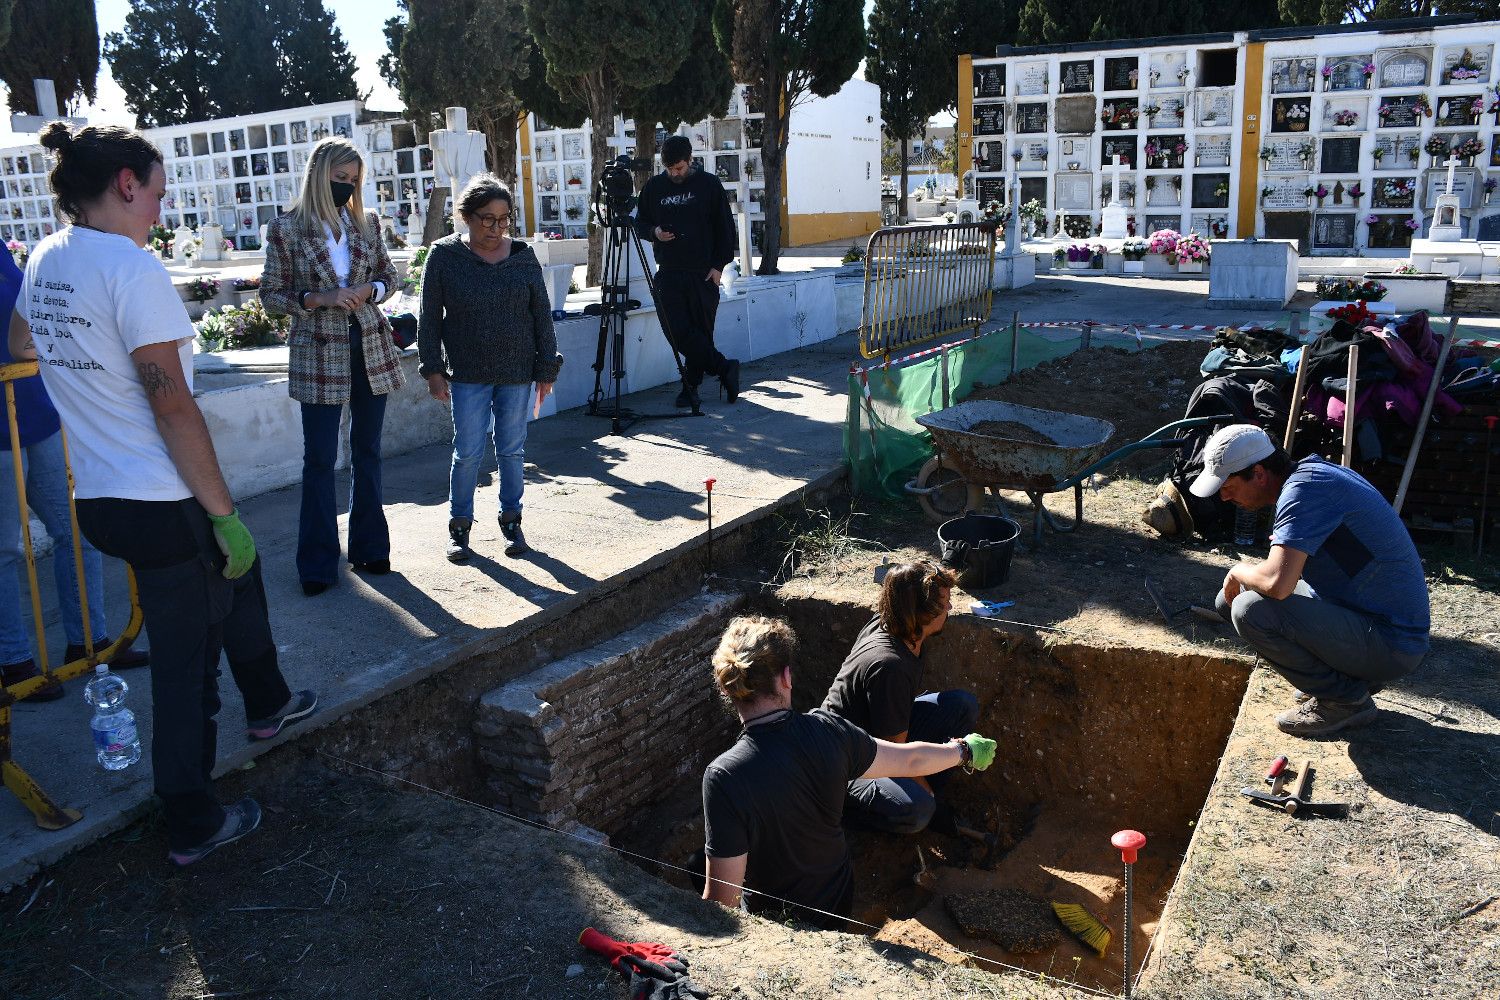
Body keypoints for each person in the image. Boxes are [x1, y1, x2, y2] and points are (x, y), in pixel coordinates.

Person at [12, 122, 315, 866]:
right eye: (155, 192)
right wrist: (221, 512)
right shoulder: (132, 269)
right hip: (158, 496)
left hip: (101, 498)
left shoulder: (47, 255)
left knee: (235, 586)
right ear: (124, 184)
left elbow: (22, 343)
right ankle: (192, 820)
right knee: (188, 669)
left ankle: (269, 700)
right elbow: (173, 405)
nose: (160, 208)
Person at [701, 615, 995, 928]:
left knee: (698, 865)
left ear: (728, 688)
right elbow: (909, 761)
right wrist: (963, 750)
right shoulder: (829, 731)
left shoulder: (724, 776)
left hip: (776, 928)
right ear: (786, 677)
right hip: (836, 907)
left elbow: (723, 902)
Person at [1190, 424, 1430, 737]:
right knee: (1230, 600)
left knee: (1249, 609)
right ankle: (1349, 679)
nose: (1223, 496)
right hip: (1365, 617)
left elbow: (1278, 583)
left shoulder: (1305, 492)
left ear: (1259, 473)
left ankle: (1344, 701)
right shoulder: (1311, 476)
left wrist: (1238, 571)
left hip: (1392, 642)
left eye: (1227, 485)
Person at [0, 244, 147, 700]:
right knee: (3, 548)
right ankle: (13, 662)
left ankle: (89, 642)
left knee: (75, 531)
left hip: (35, 413)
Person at [261, 137, 404, 596]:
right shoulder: (287, 229)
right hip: (318, 351)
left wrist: (369, 291)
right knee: (319, 459)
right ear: (319, 175)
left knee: (368, 451)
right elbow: (270, 294)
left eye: (354, 180)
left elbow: (390, 275)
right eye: (339, 178)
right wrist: (317, 298)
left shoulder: (367, 224)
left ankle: (370, 548)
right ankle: (319, 564)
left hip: (369, 344)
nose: (346, 187)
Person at [417, 174, 561, 562]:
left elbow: (540, 315)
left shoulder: (522, 256)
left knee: (512, 450)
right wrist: (432, 369)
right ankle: (459, 527)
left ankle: (512, 522)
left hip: (517, 372)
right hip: (467, 373)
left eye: (503, 219)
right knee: (467, 452)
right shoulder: (445, 256)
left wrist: (547, 369)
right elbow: (429, 317)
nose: (496, 228)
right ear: (465, 216)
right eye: (487, 219)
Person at [821, 560, 979, 834]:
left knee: (962, 708)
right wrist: (930, 799)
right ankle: (843, 823)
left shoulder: (896, 623)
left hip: (876, 733)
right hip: (843, 765)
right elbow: (897, 756)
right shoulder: (890, 666)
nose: (951, 609)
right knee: (917, 809)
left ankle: (920, 798)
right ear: (923, 614)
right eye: (944, 604)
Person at [633, 135, 740, 410]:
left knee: (701, 333)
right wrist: (654, 232)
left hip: (703, 273)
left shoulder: (708, 184)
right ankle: (725, 367)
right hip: (668, 271)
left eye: (679, 168)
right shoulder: (655, 187)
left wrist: (719, 266)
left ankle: (690, 386)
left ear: (690, 160)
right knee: (676, 331)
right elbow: (640, 222)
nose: (674, 174)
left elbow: (725, 229)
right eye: (669, 169)